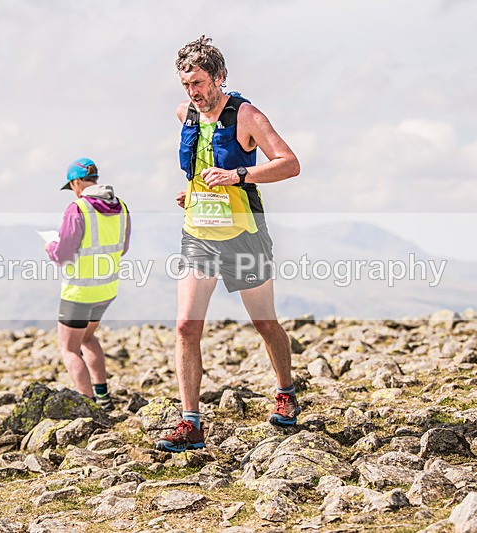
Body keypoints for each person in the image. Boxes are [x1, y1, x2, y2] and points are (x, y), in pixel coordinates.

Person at [156, 36, 301, 453]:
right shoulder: (185, 114)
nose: (193, 92)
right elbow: (200, 169)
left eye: (199, 83)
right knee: (186, 326)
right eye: (186, 85)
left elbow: (289, 163)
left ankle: (286, 392)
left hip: (244, 235)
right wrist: (192, 192)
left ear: (220, 77)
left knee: (264, 323)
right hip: (199, 234)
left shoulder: (247, 115)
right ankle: (191, 423)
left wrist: (238, 176)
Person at [46, 157, 131, 412]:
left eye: (71, 186)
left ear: (76, 183)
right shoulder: (122, 206)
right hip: (107, 289)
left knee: (69, 348)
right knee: (88, 338)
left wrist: (50, 247)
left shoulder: (78, 208)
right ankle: (103, 397)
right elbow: (123, 248)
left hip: (79, 291)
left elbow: (64, 254)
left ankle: (89, 405)